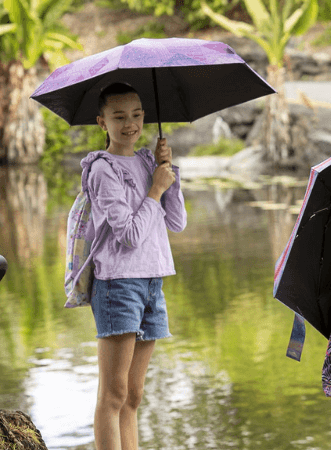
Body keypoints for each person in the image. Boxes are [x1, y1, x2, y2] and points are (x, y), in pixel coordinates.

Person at [85, 82, 187, 450]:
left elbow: (175, 222)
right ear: (102, 122)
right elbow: (128, 235)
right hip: (118, 285)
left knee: (134, 395)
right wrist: (154, 190)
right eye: (119, 117)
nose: (130, 124)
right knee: (113, 394)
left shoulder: (148, 162)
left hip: (151, 282)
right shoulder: (102, 170)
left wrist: (166, 172)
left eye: (137, 115)